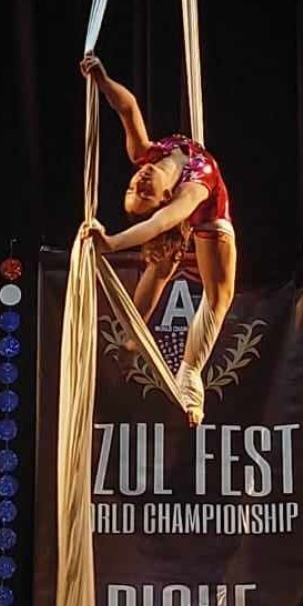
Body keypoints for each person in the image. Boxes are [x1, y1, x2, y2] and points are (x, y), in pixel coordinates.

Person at [79, 54, 236, 426]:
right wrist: (112, 242)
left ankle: (134, 337)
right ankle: (189, 374)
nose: (140, 181)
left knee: (163, 263)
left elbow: (128, 106)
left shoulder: (146, 153)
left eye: (135, 186)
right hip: (213, 217)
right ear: (162, 198)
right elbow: (164, 220)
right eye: (143, 193)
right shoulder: (190, 191)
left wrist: (100, 78)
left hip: (186, 219)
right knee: (220, 297)